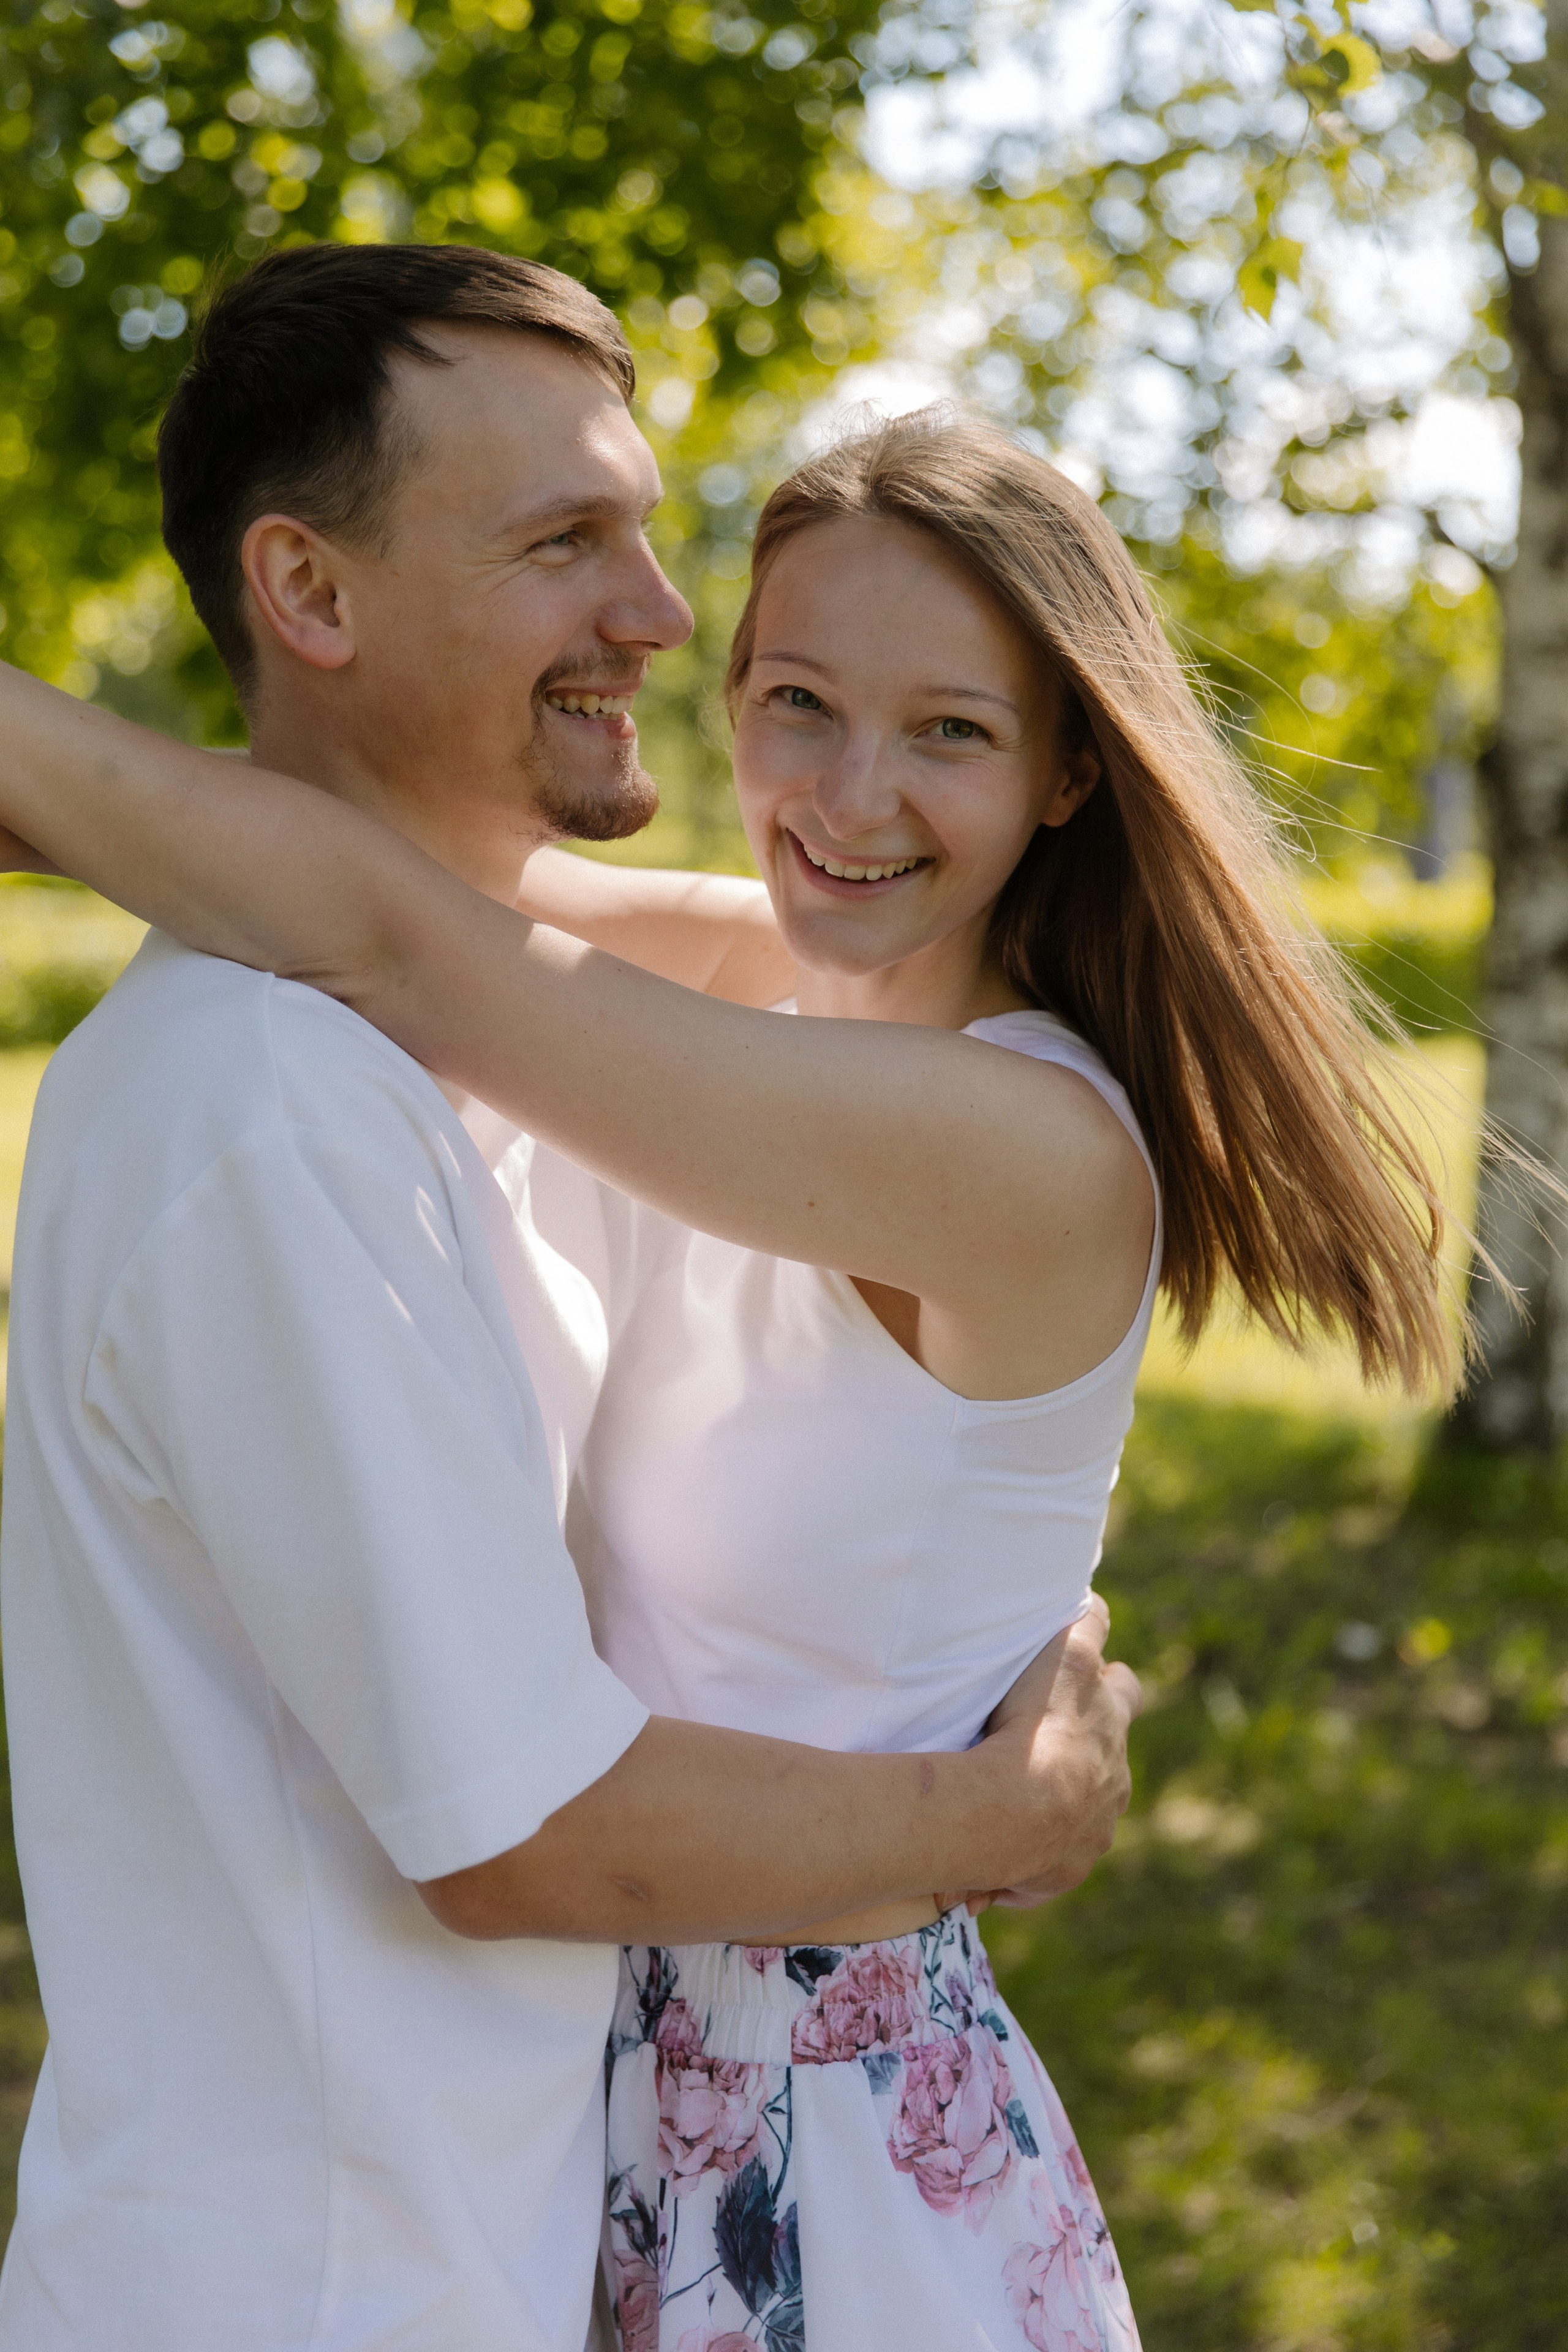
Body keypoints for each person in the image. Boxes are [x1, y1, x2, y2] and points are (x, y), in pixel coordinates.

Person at [0, 396, 1460, 2343]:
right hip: (632, 2106)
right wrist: (112, 803)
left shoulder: (1013, 1150)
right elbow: (403, 874)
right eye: (795, 704)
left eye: (951, 730)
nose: (849, 801)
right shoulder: (788, 976)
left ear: (1067, 777)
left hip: (828, 2153)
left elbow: (405, 947)